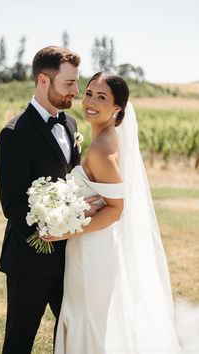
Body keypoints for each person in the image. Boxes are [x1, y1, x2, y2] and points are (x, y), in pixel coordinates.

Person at [43, 72, 199, 354]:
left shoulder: (102, 150)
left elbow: (116, 210)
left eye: (101, 97)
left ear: (117, 108)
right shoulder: (107, 139)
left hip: (93, 250)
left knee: (88, 321)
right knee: (89, 319)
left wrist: (65, 229)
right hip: (92, 245)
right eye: (89, 93)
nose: (90, 101)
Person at [0, 46, 99, 354]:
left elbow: (74, 179)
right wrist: (60, 215)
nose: (76, 92)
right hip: (29, 260)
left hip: (70, 257)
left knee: (70, 337)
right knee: (19, 340)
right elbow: (12, 204)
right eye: (69, 84)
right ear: (43, 80)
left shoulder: (71, 125)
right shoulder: (14, 133)